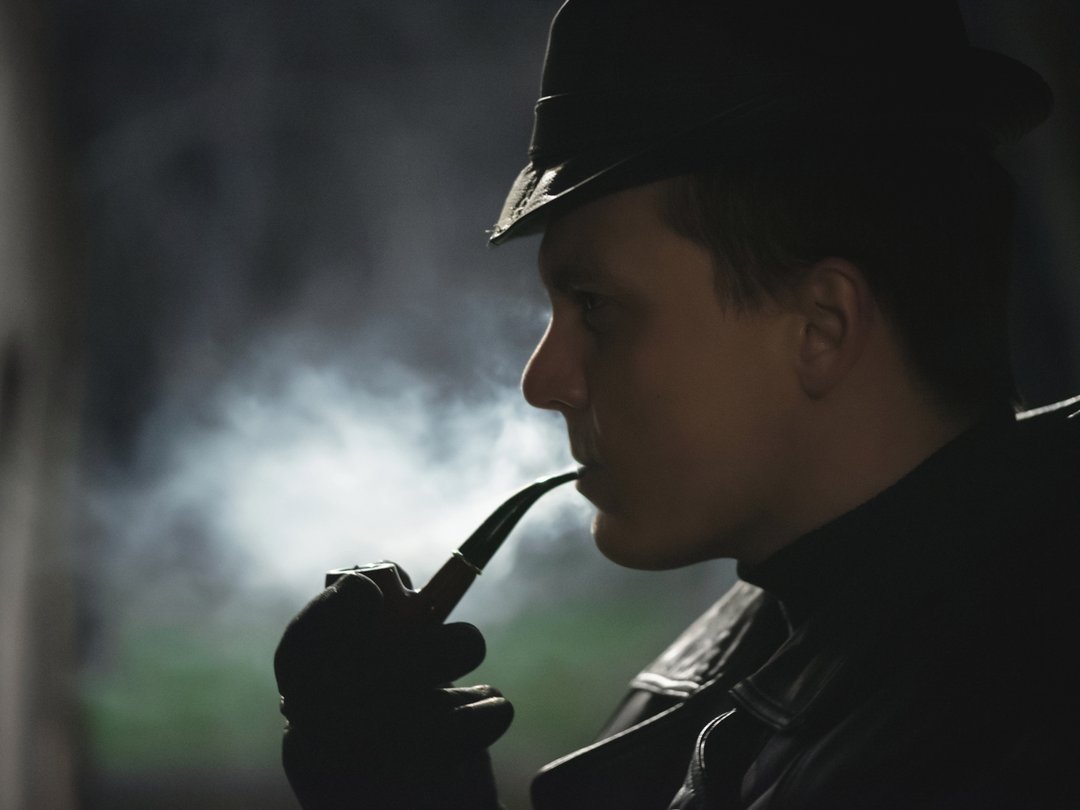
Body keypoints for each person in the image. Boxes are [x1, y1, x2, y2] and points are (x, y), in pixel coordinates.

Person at [274, 1, 1080, 807]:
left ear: (821, 328)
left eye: (597, 307)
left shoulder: (1016, 737)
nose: (543, 382)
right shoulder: (760, 651)